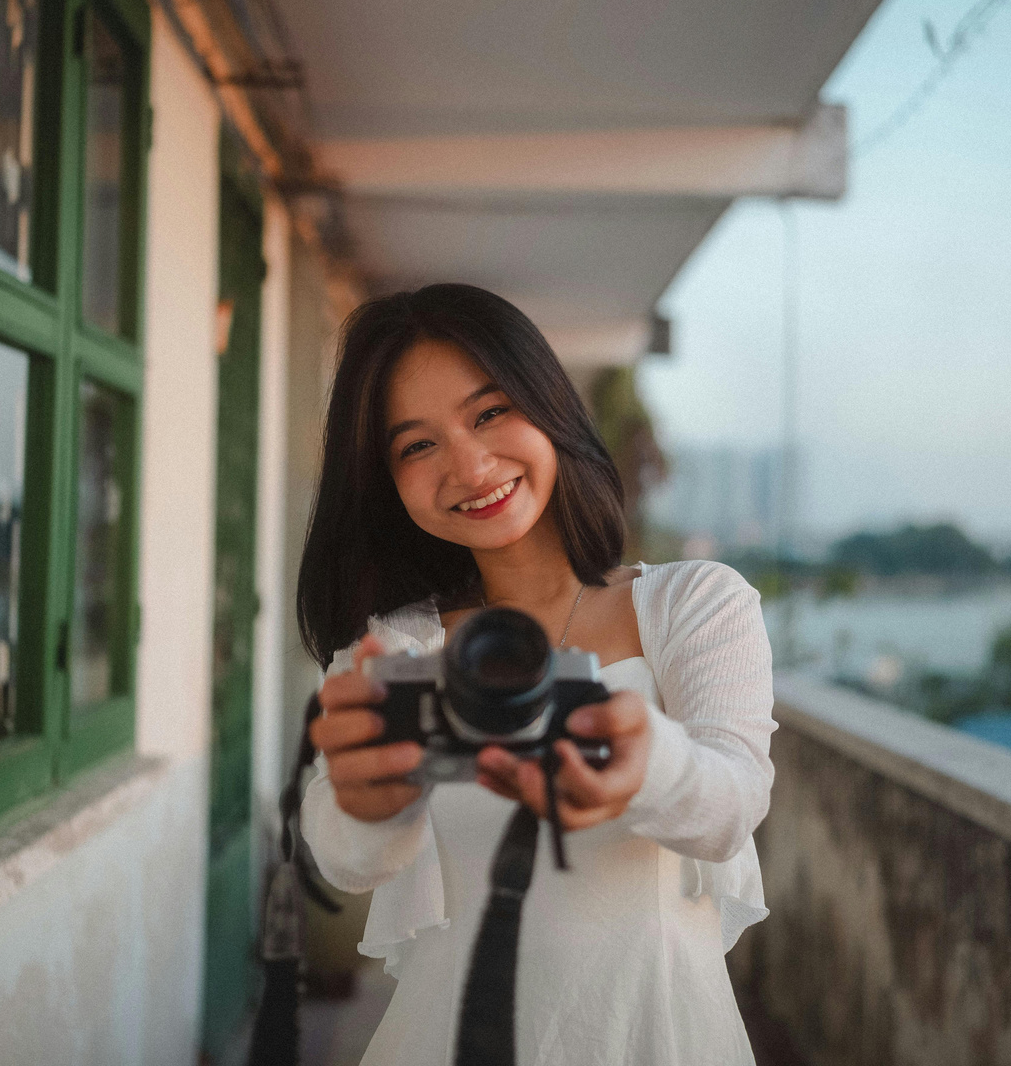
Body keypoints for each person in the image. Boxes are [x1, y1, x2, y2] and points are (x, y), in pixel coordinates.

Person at [297, 283, 776, 1066]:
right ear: (384, 479)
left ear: (549, 405)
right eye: (416, 445)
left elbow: (733, 803)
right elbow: (342, 855)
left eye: (488, 413)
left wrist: (644, 765)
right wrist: (369, 801)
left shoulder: (694, 603)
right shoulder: (392, 651)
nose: (470, 464)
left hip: (661, 1039)